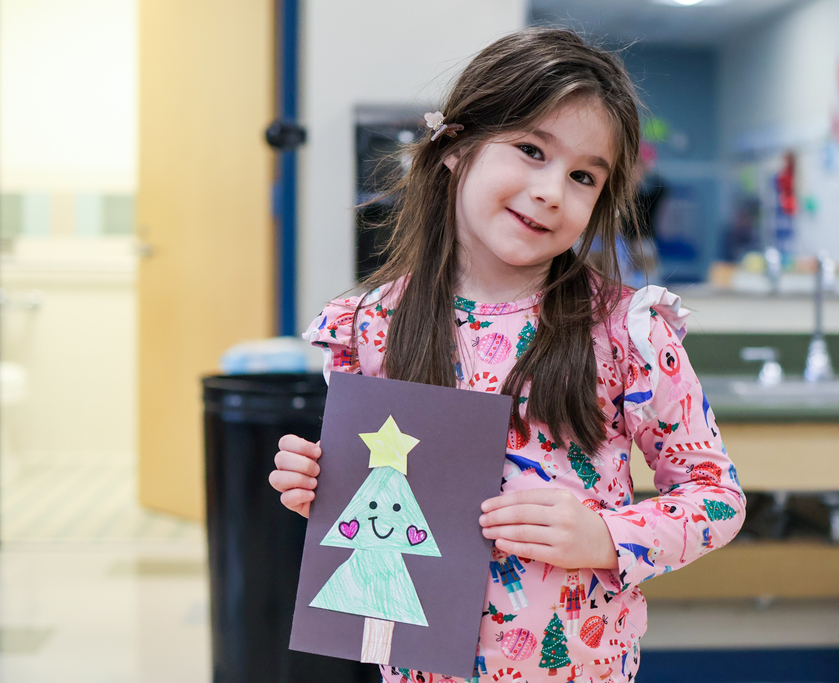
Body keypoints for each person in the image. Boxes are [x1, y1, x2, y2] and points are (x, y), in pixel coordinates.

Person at [269, 27, 745, 683]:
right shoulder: (369, 326)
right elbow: (374, 509)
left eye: (583, 175)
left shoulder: (628, 331)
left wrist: (605, 535)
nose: (553, 189)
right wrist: (318, 491)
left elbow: (716, 496)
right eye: (529, 149)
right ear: (454, 147)